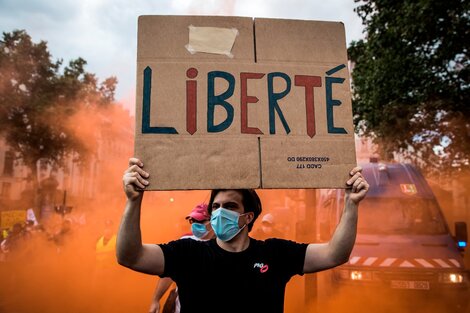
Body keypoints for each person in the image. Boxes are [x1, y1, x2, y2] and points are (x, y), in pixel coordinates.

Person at [117, 157, 369, 313]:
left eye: (230, 206)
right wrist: (133, 201)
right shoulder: (188, 253)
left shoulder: (275, 253)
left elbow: (336, 253)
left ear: (248, 217)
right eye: (215, 207)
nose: (219, 213)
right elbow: (130, 256)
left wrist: (351, 203)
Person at [148, 203, 215, 313]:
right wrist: (156, 299)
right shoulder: (185, 241)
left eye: (200, 221)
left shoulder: (225, 245)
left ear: (213, 221)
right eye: (192, 221)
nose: (194, 225)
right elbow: (169, 273)